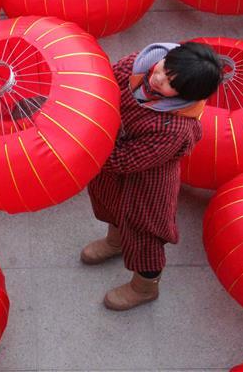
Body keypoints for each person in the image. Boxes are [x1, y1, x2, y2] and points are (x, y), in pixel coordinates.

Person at [82, 41, 223, 311]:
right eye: (164, 68)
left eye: (171, 83)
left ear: (186, 95)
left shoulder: (174, 127)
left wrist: (86, 150)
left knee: (144, 230)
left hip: (148, 179)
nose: (158, 77)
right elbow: (103, 83)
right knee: (107, 200)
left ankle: (144, 287)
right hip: (109, 157)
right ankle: (116, 242)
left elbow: (127, 159)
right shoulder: (139, 64)